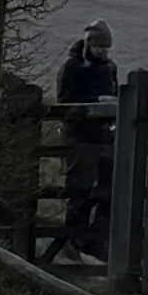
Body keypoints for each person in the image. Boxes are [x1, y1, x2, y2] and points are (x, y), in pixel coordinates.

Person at [54, 20, 118, 264]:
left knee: (107, 191)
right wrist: (89, 108)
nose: (103, 51)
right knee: (79, 189)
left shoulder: (110, 68)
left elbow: (116, 95)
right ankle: (71, 241)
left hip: (104, 136)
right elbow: (64, 101)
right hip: (80, 136)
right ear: (89, 43)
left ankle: (94, 241)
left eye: (106, 47)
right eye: (100, 46)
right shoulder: (72, 67)